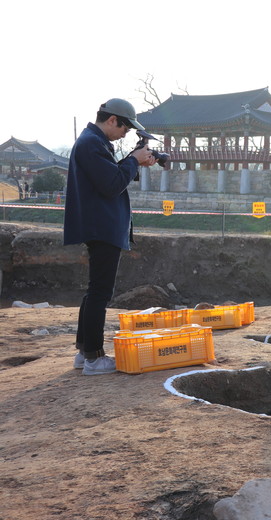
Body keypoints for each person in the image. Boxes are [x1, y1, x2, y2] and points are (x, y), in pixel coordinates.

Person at [63, 98, 156, 375]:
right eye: (125, 127)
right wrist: (133, 160)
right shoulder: (92, 143)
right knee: (100, 293)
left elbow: (110, 176)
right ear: (113, 120)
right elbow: (112, 184)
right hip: (102, 226)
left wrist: (133, 162)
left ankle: (85, 353)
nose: (126, 133)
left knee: (95, 291)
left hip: (99, 225)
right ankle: (94, 359)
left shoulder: (93, 141)